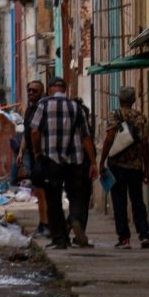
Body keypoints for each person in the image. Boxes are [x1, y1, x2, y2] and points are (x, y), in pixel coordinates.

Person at [29, 76, 97, 250]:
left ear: (50, 89)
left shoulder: (43, 105)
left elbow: (35, 131)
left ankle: (60, 239)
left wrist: (37, 152)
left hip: (51, 160)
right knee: (76, 195)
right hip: (74, 160)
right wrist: (94, 163)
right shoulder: (76, 107)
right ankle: (74, 218)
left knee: (53, 200)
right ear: (65, 90)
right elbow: (86, 137)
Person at [100, 86, 149, 249]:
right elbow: (144, 145)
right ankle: (144, 235)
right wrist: (146, 167)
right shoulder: (141, 118)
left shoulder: (115, 115)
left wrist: (102, 160)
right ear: (134, 99)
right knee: (138, 201)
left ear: (120, 99)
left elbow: (108, 139)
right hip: (135, 167)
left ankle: (124, 238)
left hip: (117, 166)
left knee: (119, 202)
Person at [17, 80, 49, 238]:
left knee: (42, 192)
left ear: (42, 93)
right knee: (38, 191)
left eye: (34, 91)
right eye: (29, 90)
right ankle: (43, 223)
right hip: (32, 155)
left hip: (42, 156)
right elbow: (27, 133)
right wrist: (21, 152)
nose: (31, 93)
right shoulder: (29, 110)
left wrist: (37, 152)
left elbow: (36, 133)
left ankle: (45, 224)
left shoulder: (43, 110)